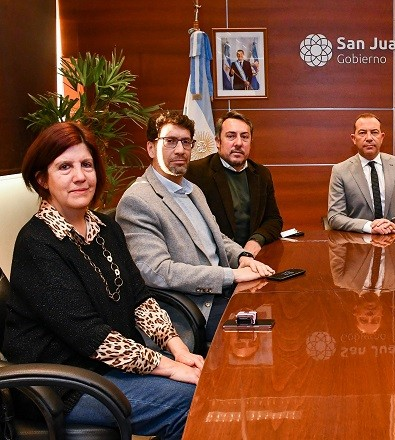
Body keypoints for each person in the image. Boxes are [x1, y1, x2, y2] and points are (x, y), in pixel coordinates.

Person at [4, 122, 199, 439]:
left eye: (86, 165)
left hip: (108, 367)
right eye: (64, 167)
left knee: (205, 385)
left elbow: (138, 297)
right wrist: (170, 368)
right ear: (43, 179)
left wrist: (179, 351)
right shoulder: (37, 244)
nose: (80, 176)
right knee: (191, 402)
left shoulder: (106, 228)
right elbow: (92, 337)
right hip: (64, 385)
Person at [116, 111, 274, 340]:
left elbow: (215, 237)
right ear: (151, 148)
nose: (180, 149)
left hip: (222, 292)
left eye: (186, 142)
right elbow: (158, 272)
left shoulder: (192, 190)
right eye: (170, 141)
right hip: (192, 309)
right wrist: (230, 275)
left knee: (275, 304)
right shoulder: (138, 200)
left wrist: (243, 256)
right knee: (262, 336)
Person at [186, 111, 283, 257]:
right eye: (231, 136)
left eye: (244, 137)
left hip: (253, 258)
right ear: (218, 142)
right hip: (215, 261)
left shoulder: (261, 174)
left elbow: (273, 220)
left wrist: (256, 241)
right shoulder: (195, 173)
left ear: (251, 142)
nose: (238, 143)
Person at [327, 113, 395, 234]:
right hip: (358, 243)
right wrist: (369, 226)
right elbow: (335, 216)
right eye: (362, 133)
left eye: (374, 132)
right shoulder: (340, 170)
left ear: (382, 137)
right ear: (353, 138)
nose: (369, 138)